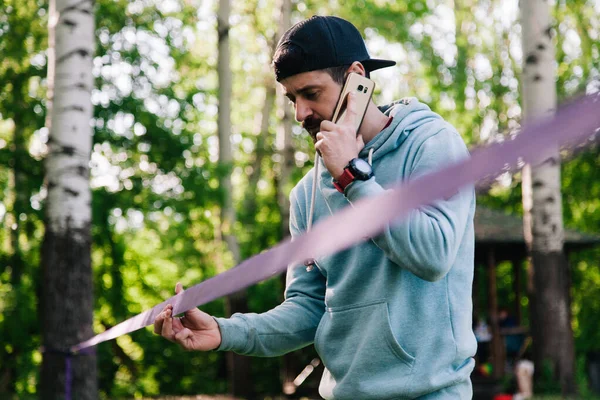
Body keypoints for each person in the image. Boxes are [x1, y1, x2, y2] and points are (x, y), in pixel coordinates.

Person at [154, 15, 477, 399]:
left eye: (311, 93)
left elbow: (433, 254)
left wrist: (352, 177)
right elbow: (308, 309)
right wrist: (225, 331)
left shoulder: (432, 144)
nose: (300, 113)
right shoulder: (307, 193)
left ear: (358, 79)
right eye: (292, 98)